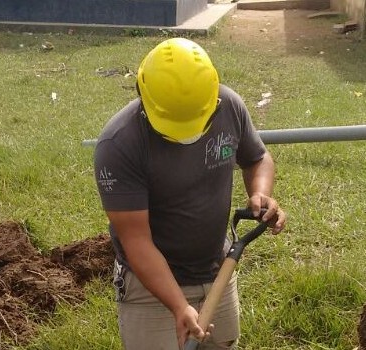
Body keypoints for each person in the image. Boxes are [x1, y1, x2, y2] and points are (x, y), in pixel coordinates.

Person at [93, 38, 286, 350]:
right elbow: (137, 242)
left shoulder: (228, 106)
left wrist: (260, 193)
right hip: (149, 287)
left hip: (217, 270)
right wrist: (178, 305)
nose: (189, 133)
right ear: (142, 93)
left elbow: (257, 157)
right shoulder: (119, 145)